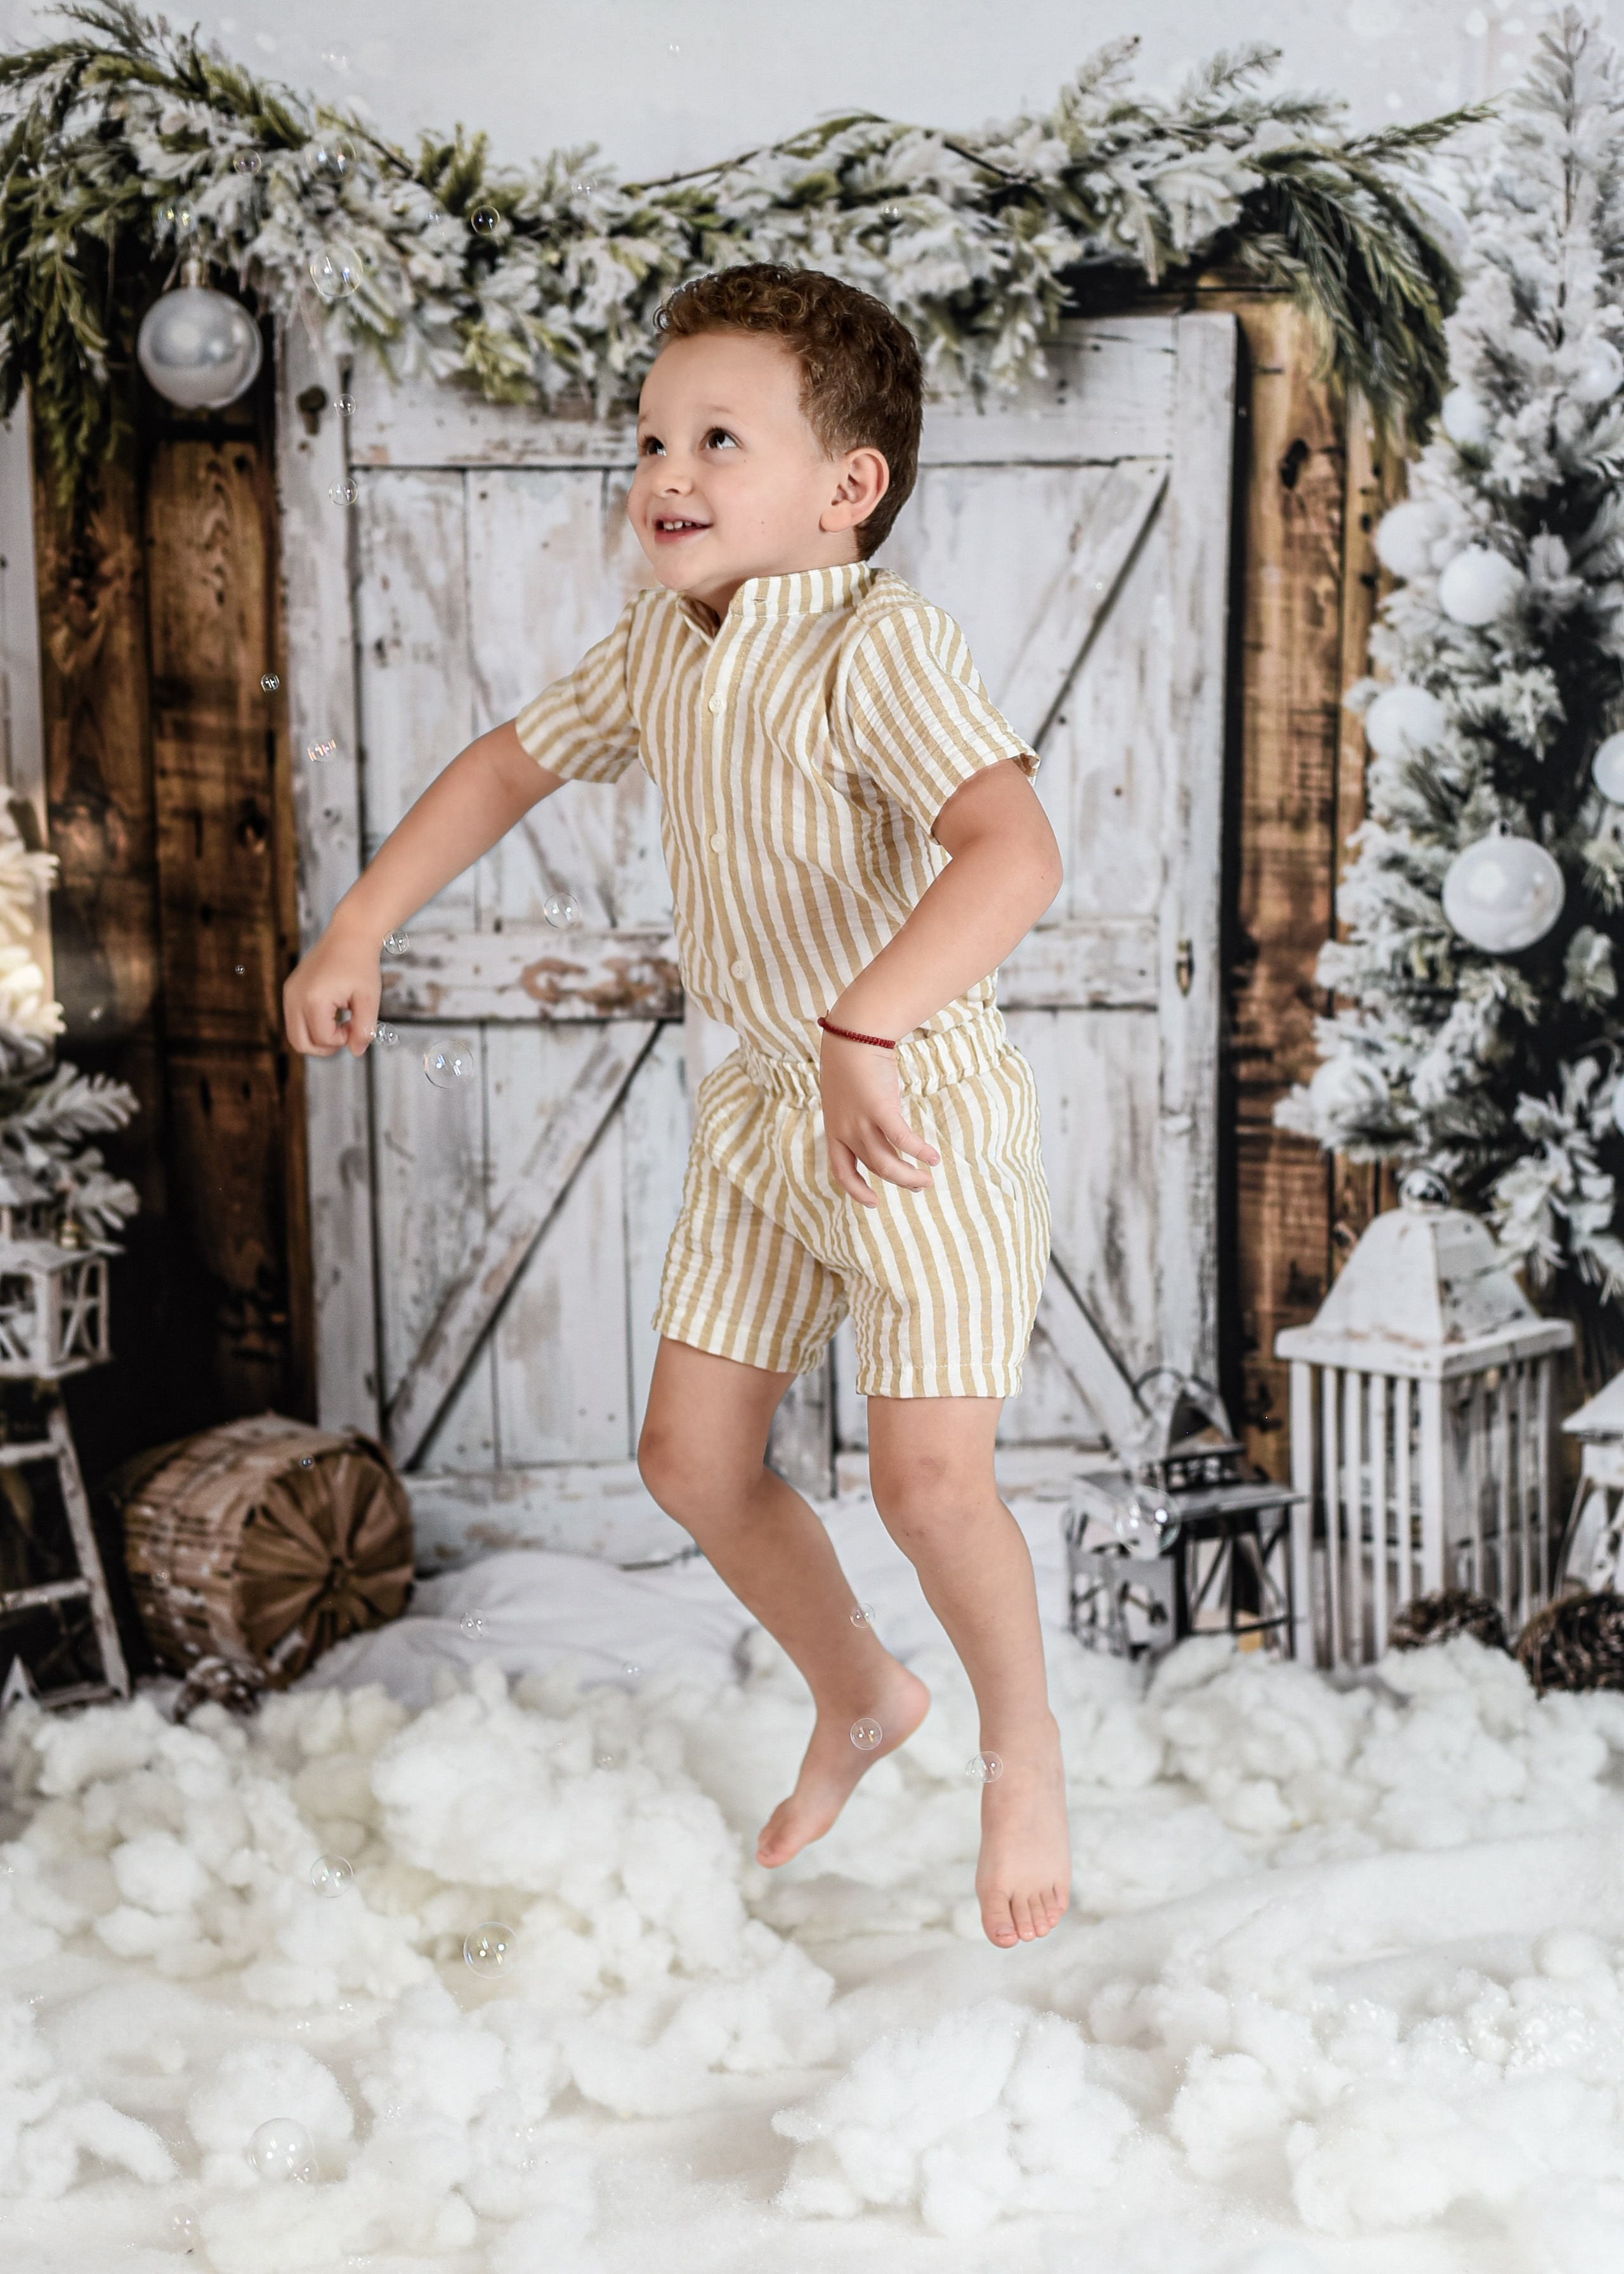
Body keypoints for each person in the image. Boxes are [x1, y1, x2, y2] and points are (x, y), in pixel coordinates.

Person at [284, 264, 1070, 1947]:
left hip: (913, 1109)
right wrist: (359, 924)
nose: (666, 473)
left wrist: (871, 1022)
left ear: (846, 488)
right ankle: (860, 1690)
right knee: (690, 1459)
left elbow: (1017, 852)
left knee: (934, 1484)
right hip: (768, 1114)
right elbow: (507, 765)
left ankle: (1024, 1749)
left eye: (719, 438)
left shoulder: (882, 643)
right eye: (651, 437)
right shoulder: (660, 641)